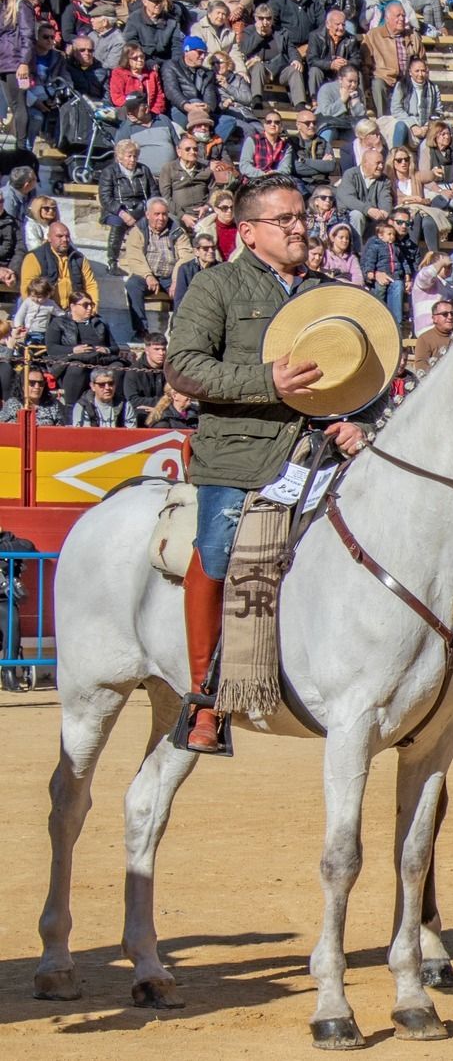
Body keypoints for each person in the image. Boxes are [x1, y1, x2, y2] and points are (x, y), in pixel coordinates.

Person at [161, 174, 388, 753]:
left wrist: (358, 421)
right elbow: (183, 368)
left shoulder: (328, 292)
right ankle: (204, 697)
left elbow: (372, 377)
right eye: (285, 220)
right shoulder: (216, 286)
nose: (299, 227)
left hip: (322, 454)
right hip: (240, 455)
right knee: (215, 553)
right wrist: (269, 381)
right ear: (250, 231)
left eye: (301, 217)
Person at [117, 196, 192, 334]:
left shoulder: (177, 231)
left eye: (164, 214)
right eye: (157, 214)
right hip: (147, 275)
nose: (161, 218)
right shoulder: (138, 231)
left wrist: (176, 279)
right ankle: (141, 329)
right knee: (132, 285)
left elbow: (186, 256)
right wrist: (147, 275)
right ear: (148, 214)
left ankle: (177, 328)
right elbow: (135, 257)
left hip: (170, 276)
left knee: (185, 285)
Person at [71, 365, 135, 426]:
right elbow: (82, 434)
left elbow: (131, 432)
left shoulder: (125, 405)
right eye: (102, 384)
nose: (107, 388)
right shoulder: (83, 406)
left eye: (111, 383)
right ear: (92, 386)